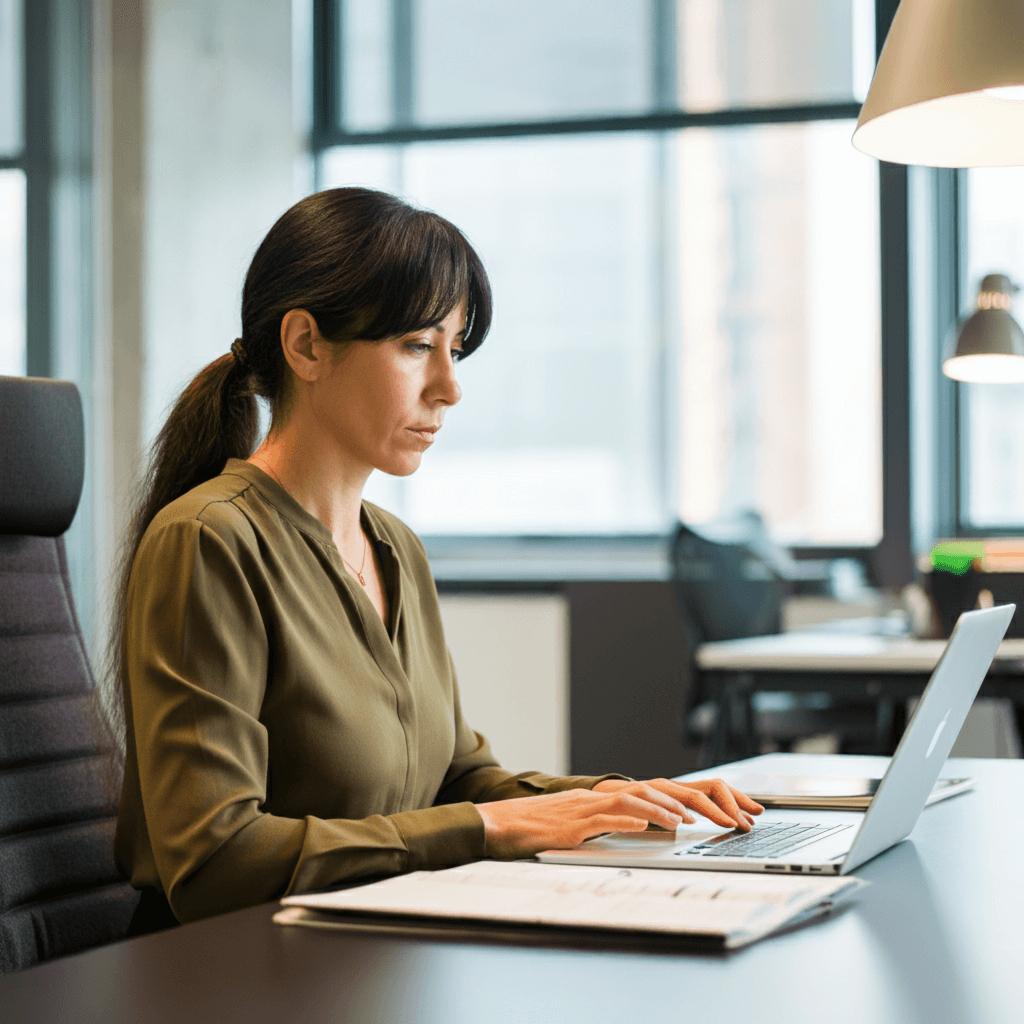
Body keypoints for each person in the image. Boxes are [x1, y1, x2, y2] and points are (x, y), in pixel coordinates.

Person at [111, 187, 762, 931]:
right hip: (232, 975)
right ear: (306, 345)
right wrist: (492, 830)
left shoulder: (395, 548)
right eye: (417, 346)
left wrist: (621, 800)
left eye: (454, 350)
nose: (449, 388)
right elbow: (216, 861)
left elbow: (458, 778)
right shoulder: (209, 539)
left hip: (370, 947)